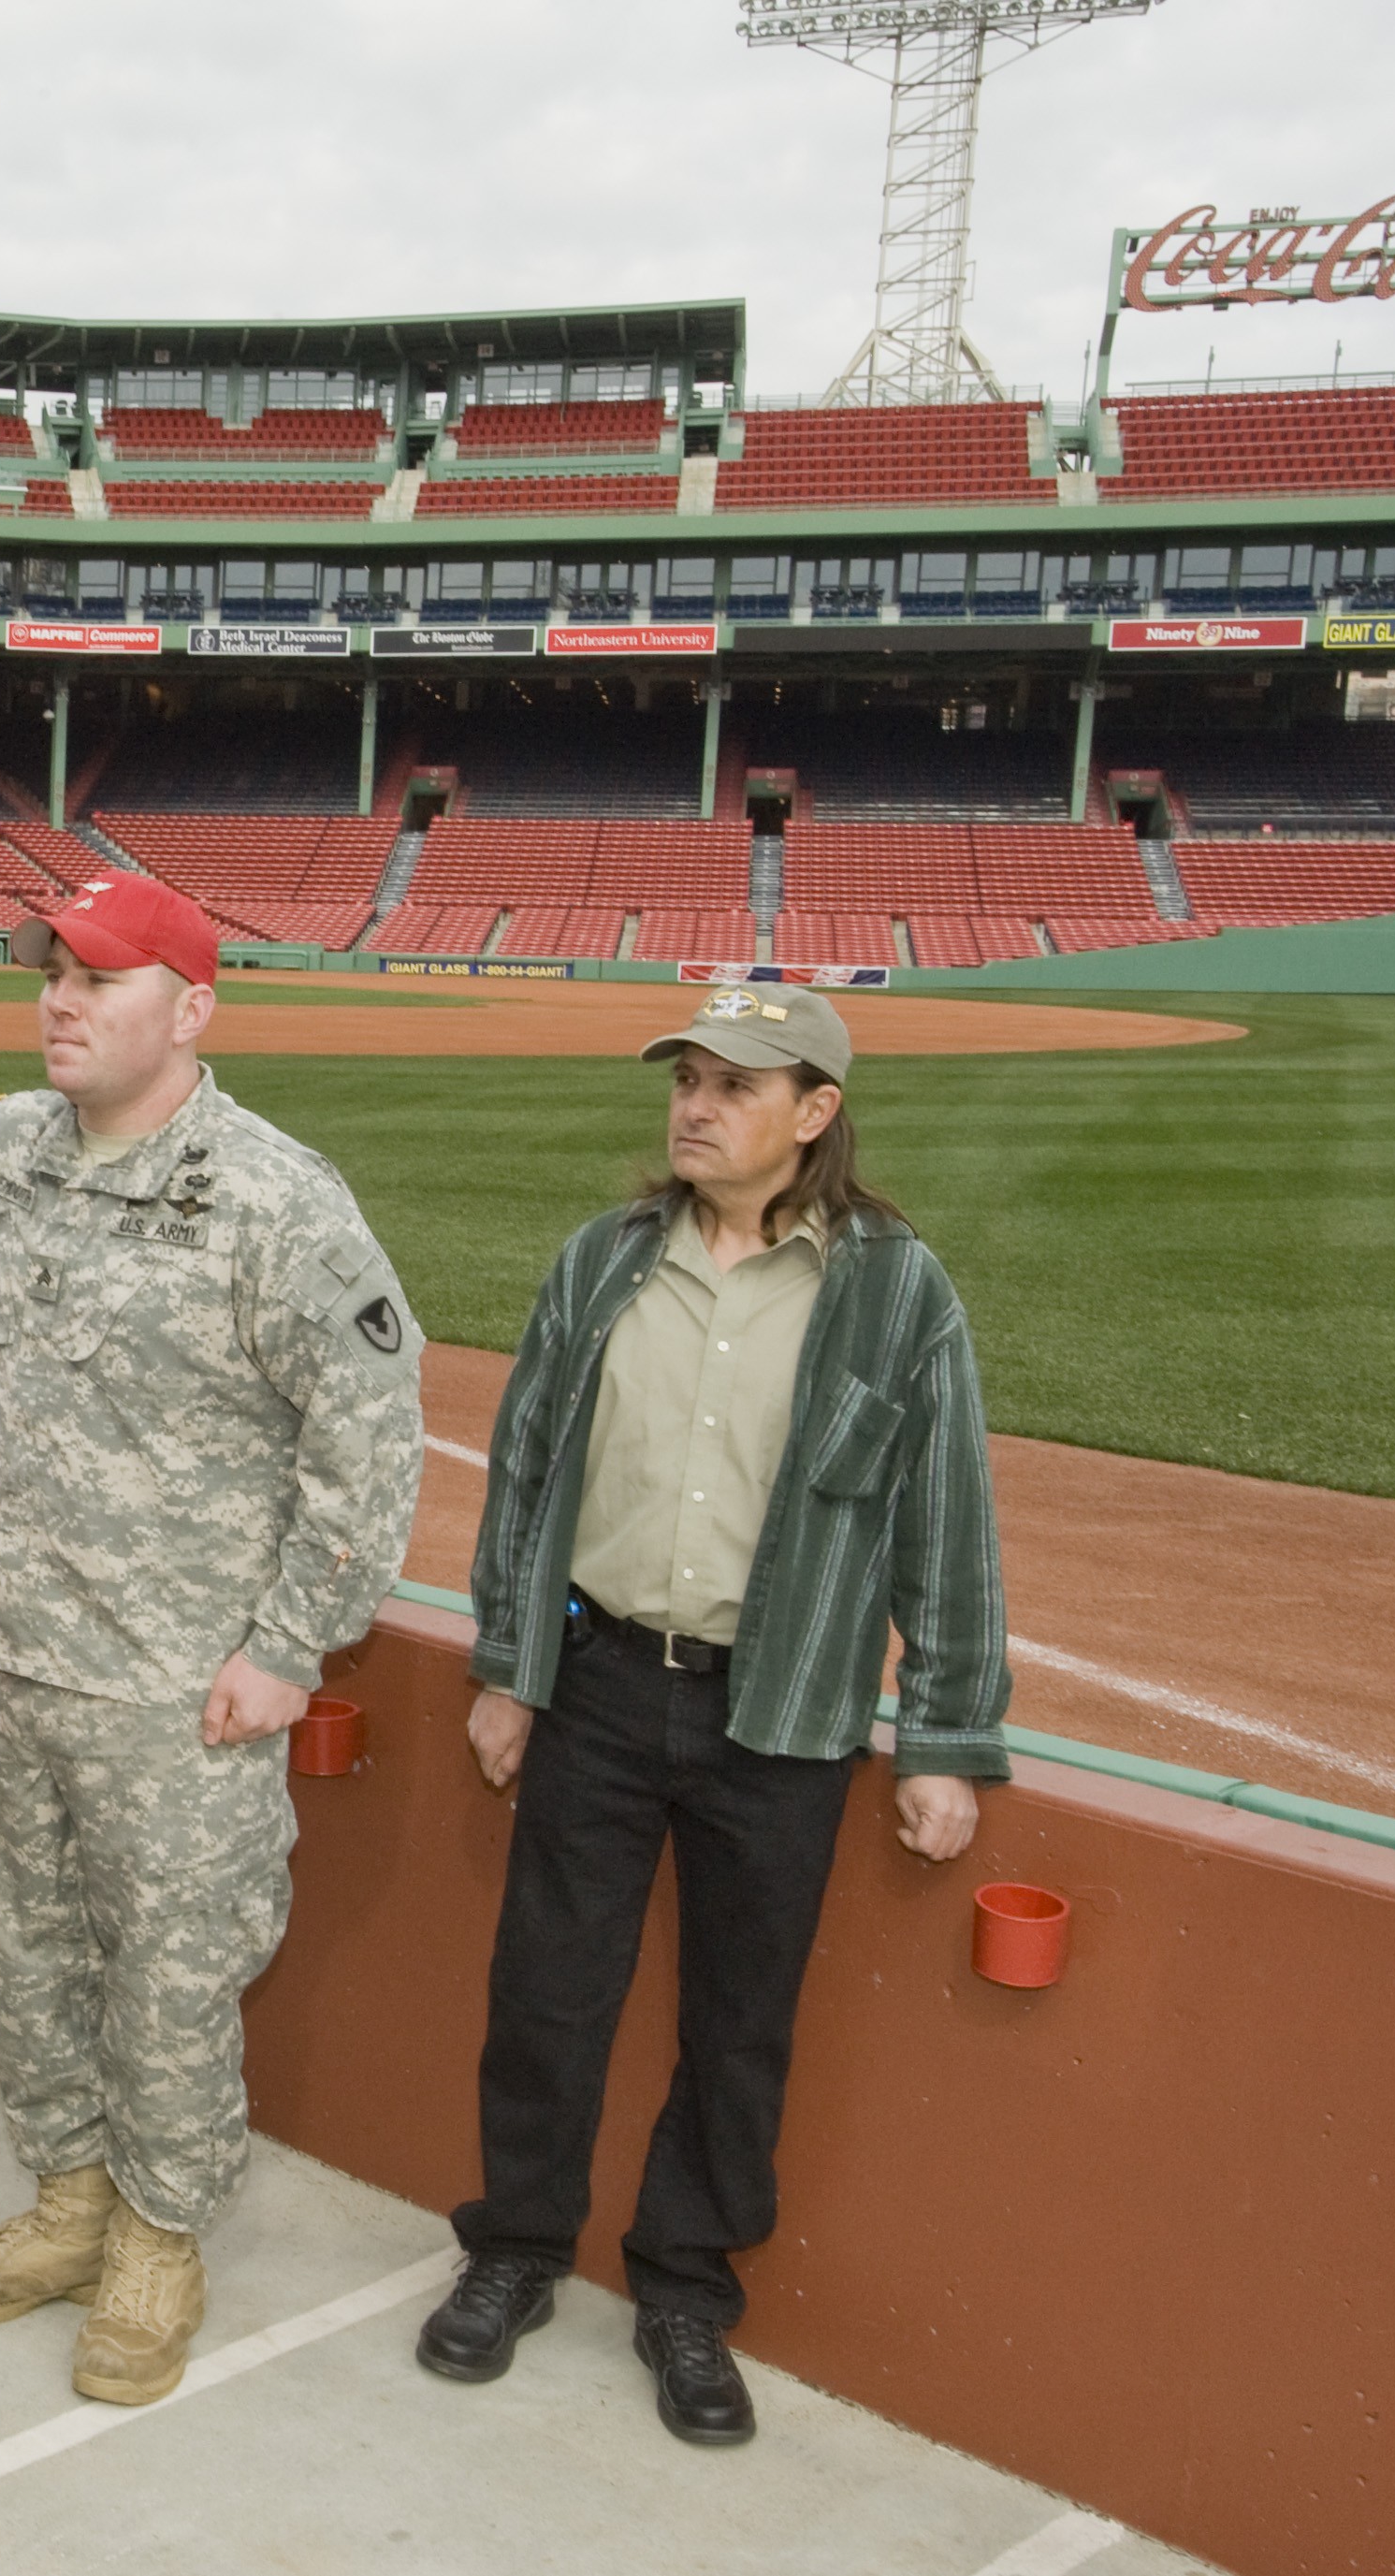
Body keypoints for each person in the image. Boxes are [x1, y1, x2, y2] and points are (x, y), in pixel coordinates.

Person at [0, 875, 427, 2408]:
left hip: (174, 1691)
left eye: (96, 976)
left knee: (169, 1974)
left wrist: (291, 1641)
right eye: (47, 975)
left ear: (192, 1008)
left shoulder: (274, 1199)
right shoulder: (9, 1150)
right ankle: (70, 2193)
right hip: (6, 1661)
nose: (58, 1001)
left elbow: (370, 1431)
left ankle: (159, 2232)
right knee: (24, 1960)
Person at [415, 983, 1009, 2446]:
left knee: (740, 2021)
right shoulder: (606, 1262)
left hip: (785, 1704)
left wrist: (943, 1734)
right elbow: (530, 1465)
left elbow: (948, 1516)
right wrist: (509, 1663)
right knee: (549, 1983)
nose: (695, 1106)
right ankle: (516, 2245)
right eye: (687, 1077)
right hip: (604, 1678)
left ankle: (685, 2286)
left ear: (814, 1114)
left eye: (736, 1085)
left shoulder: (897, 1288)